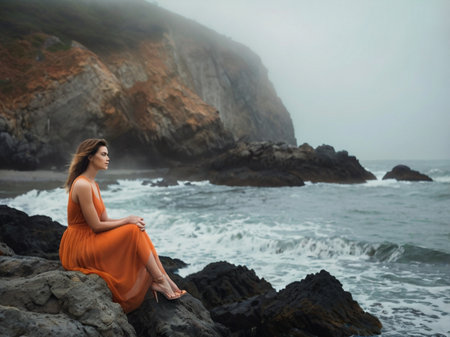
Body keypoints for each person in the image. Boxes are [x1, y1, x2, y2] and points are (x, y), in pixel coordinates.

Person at [59, 138, 186, 313]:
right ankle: (161, 280)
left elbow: (105, 219)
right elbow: (96, 226)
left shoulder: (93, 184)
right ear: (90, 157)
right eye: (103, 154)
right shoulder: (82, 184)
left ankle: (162, 279)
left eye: (107, 155)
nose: (107, 158)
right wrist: (127, 221)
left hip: (89, 238)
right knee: (133, 230)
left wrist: (129, 220)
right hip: (78, 246)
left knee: (137, 229)